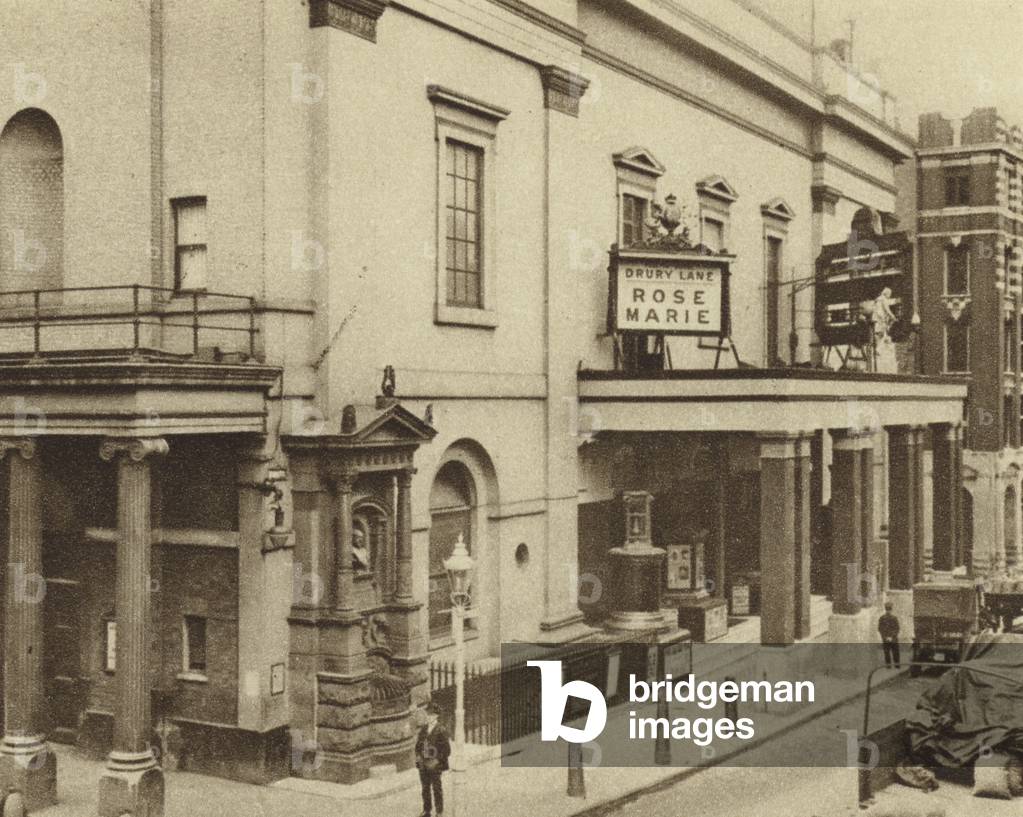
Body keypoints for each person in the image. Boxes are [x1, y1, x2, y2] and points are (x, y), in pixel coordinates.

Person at [415, 703, 450, 817]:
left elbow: (447, 750)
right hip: (423, 764)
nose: (428, 717)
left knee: (436, 788)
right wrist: (418, 757)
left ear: (436, 716)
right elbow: (418, 745)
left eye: (431, 715)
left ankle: (439, 812)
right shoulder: (424, 729)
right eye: (428, 714)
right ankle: (427, 810)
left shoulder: (441, 730)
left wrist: (437, 761)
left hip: (435, 764)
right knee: (425, 788)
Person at [878, 602, 901, 669]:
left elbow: (880, 629)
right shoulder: (894, 618)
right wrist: (891, 637)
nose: (888, 611)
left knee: (888, 652)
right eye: (888, 609)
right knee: (893, 652)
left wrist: (886, 637)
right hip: (892, 639)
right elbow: (897, 628)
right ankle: (896, 666)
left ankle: (889, 666)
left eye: (889, 609)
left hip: (887, 639)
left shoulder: (882, 618)